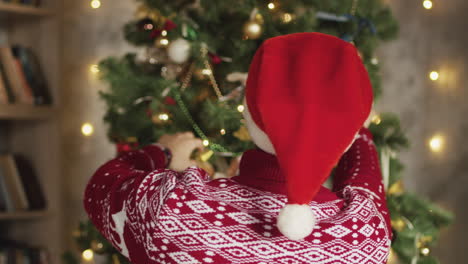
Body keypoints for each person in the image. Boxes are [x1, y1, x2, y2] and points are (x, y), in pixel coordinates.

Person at [84, 32, 392, 263]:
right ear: (352, 130)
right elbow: (365, 177)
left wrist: (161, 152)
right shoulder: (365, 235)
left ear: (247, 112)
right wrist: (344, 124)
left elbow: (103, 185)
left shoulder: (172, 210)